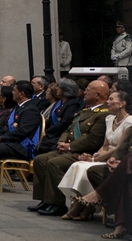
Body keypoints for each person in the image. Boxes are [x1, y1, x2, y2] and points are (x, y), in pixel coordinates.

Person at [72, 78, 132, 241]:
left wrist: (126, 161)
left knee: (131, 160)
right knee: (125, 177)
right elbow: (126, 143)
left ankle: (98, 196)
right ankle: (124, 225)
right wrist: (116, 159)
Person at [28, 79, 110, 216]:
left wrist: (70, 146)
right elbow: (68, 129)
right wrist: (62, 142)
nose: (84, 92)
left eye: (88, 90)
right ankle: (46, 200)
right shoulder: (86, 110)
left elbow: (93, 139)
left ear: (98, 95)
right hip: (70, 148)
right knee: (40, 160)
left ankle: (57, 203)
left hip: (84, 152)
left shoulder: (104, 114)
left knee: (55, 163)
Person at [55, 90, 132, 218]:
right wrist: (93, 156)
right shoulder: (109, 119)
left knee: (86, 168)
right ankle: (85, 206)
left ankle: (82, 206)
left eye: (111, 99)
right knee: (78, 164)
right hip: (104, 155)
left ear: (122, 103)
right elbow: (105, 145)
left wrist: (94, 160)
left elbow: (119, 148)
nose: (108, 102)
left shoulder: (129, 121)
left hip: (115, 157)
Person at [36, 79, 83, 155]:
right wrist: (40, 129)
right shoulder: (59, 102)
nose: (57, 88)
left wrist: (47, 132)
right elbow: (50, 119)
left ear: (66, 89)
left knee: (41, 145)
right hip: (51, 133)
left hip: (59, 134)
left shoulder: (73, 104)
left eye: (59, 87)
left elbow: (64, 123)